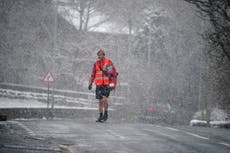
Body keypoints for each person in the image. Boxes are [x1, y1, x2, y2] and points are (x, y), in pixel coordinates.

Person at [88, 49, 115, 122]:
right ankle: (100, 115)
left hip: (106, 84)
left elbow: (112, 72)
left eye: (101, 54)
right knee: (100, 101)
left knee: (104, 99)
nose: (100, 55)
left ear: (104, 54)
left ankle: (105, 113)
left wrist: (107, 72)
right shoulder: (96, 63)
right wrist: (90, 83)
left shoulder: (108, 61)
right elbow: (93, 74)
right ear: (98, 55)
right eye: (99, 54)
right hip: (99, 84)